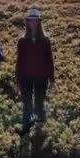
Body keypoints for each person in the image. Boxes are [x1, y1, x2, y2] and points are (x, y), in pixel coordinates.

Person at [15, 7, 55, 137]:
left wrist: (52, 80)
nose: (32, 23)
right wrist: (18, 79)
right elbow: (19, 61)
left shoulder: (45, 41)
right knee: (27, 105)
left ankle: (40, 128)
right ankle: (26, 129)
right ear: (27, 22)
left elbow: (49, 60)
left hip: (41, 78)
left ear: (39, 22)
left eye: (35, 21)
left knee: (39, 103)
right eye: (30, 21)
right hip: (25, 78)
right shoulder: (22, 41)